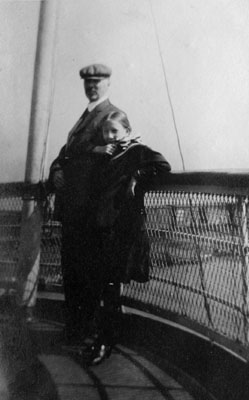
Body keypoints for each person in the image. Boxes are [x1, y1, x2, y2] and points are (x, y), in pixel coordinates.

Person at [70, 110, 171, 365]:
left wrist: (137, 177)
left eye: (115, 131)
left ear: (127, 130)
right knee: (105, 286)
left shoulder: (137, 151)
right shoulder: (107, 156)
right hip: (102, 229)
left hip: (121, 230)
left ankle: (104, 342)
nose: (110, 136)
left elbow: (163, 166)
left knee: (111, 285)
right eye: (106, 132)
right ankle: (105, 339)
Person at [47, 63, 127, 345]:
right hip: (73, 209)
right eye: (88, 83)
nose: (92, 86)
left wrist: (89, 151)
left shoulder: (112, 115)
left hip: (92, 211)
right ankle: (75, 329)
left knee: (90, 272)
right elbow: (64, 154)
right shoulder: (85, 118)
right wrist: (56, 171)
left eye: (97, 82)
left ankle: (87, 331)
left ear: (108, 84)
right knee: (72, 270)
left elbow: (115, 155)